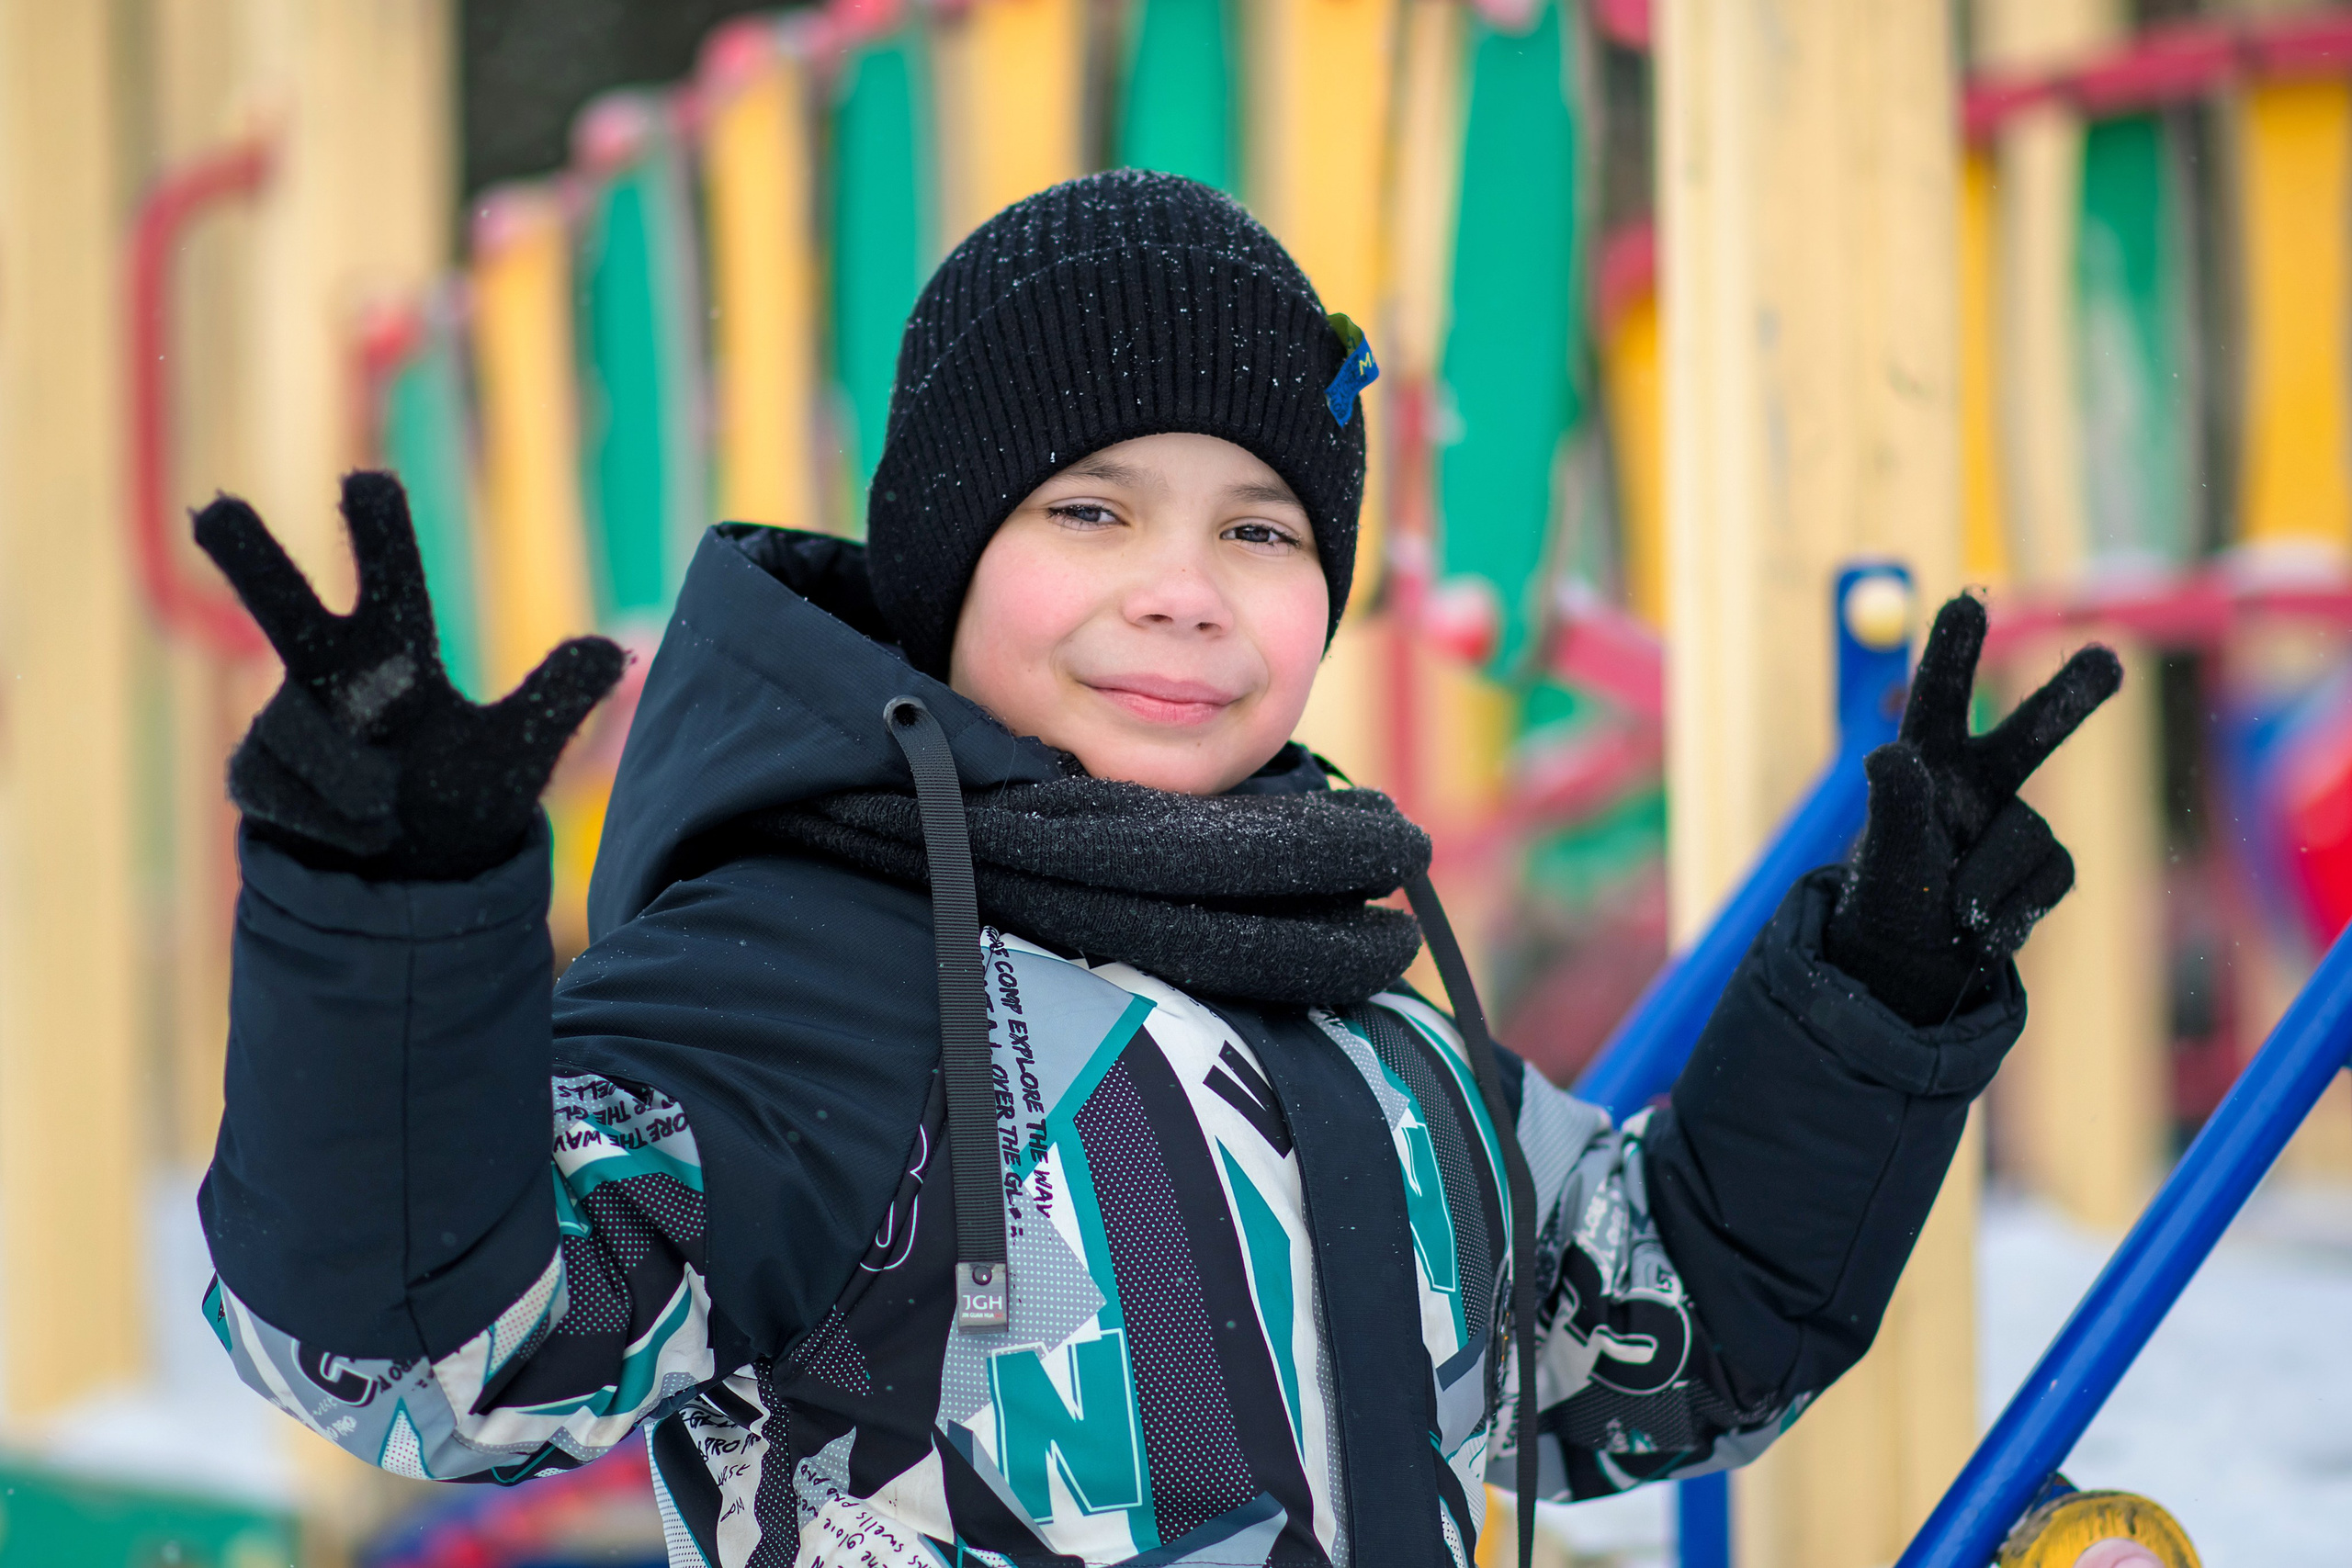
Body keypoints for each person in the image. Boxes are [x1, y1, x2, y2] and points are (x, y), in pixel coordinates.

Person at [195, 171, 2116, 1568]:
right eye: (1092, 508)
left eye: (1260, 528)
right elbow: (421, 1356)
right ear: (945, 560)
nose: (1182, 589)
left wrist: (1880, 994)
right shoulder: (793, 984)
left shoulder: (1361, 1014)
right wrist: (386, 923)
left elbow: (1646, 1349)